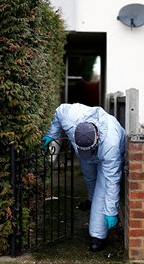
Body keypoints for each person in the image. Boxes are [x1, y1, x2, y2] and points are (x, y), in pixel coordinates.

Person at [42, 103, 125, 252]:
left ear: (97, 138)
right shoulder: (70, 117)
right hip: (88, 151)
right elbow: (59, 111)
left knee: (103, 187)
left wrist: (111, 211)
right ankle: (91, 199)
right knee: (88, 176)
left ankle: (98, 235)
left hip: (109, 151)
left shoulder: (110, 146)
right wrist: (51, 134)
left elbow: (112, 181)